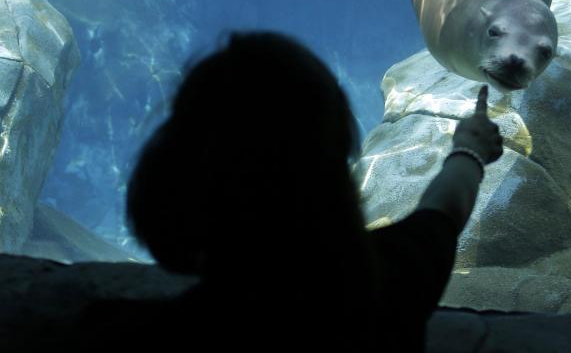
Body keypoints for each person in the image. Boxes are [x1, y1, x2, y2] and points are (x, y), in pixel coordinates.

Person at [101, 31, 502, 350]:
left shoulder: (149, 334)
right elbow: (445, 207)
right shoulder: (390, 280)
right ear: (336, 172)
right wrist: (469, 148)